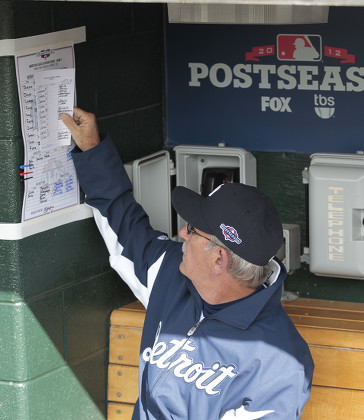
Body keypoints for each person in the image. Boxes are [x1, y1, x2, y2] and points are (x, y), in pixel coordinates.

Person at [62, 108, 314, 420]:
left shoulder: (279, 363)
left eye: (192, 230)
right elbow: (125, 225)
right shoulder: (172, 274)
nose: (181, 232)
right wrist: (92, 148)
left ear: (218, 259)